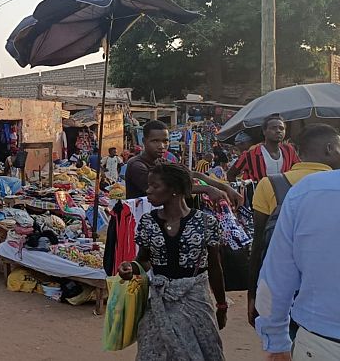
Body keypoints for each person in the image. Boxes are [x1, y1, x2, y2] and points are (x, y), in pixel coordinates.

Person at [118, 163, 227, 360]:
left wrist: (221, 305)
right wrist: (130, 268)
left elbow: (214, 267)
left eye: (155, 186)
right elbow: (143, 261)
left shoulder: (205, 223)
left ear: (175, 190)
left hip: (196, 303)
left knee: (203, 351)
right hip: (160, 303)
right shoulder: (148, 222)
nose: (148, 190)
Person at [247, 124, 340, 330]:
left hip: (283, 294)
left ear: (298, 153)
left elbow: (259, 245)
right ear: (328, 149)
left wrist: (252, 294)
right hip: (325, 305)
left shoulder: (269, 184)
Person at [124, 120, 241, 206]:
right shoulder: (137, 165)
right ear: (144, 141)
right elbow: (169, 188)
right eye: (155, 141)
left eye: (165, 141)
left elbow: (194, 174)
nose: (161, 146)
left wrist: (226, 188)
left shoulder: (162, 162)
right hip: (139, 219)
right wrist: (207, 189)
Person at [227, 115, 300, 182]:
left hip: (284, 195)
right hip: (259, 195)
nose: (278, 131)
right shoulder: (250, 155)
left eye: (281, 128)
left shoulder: (289, 151)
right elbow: (230, 174)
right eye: (273, 128)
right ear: (264, 131)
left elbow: (299, 169)